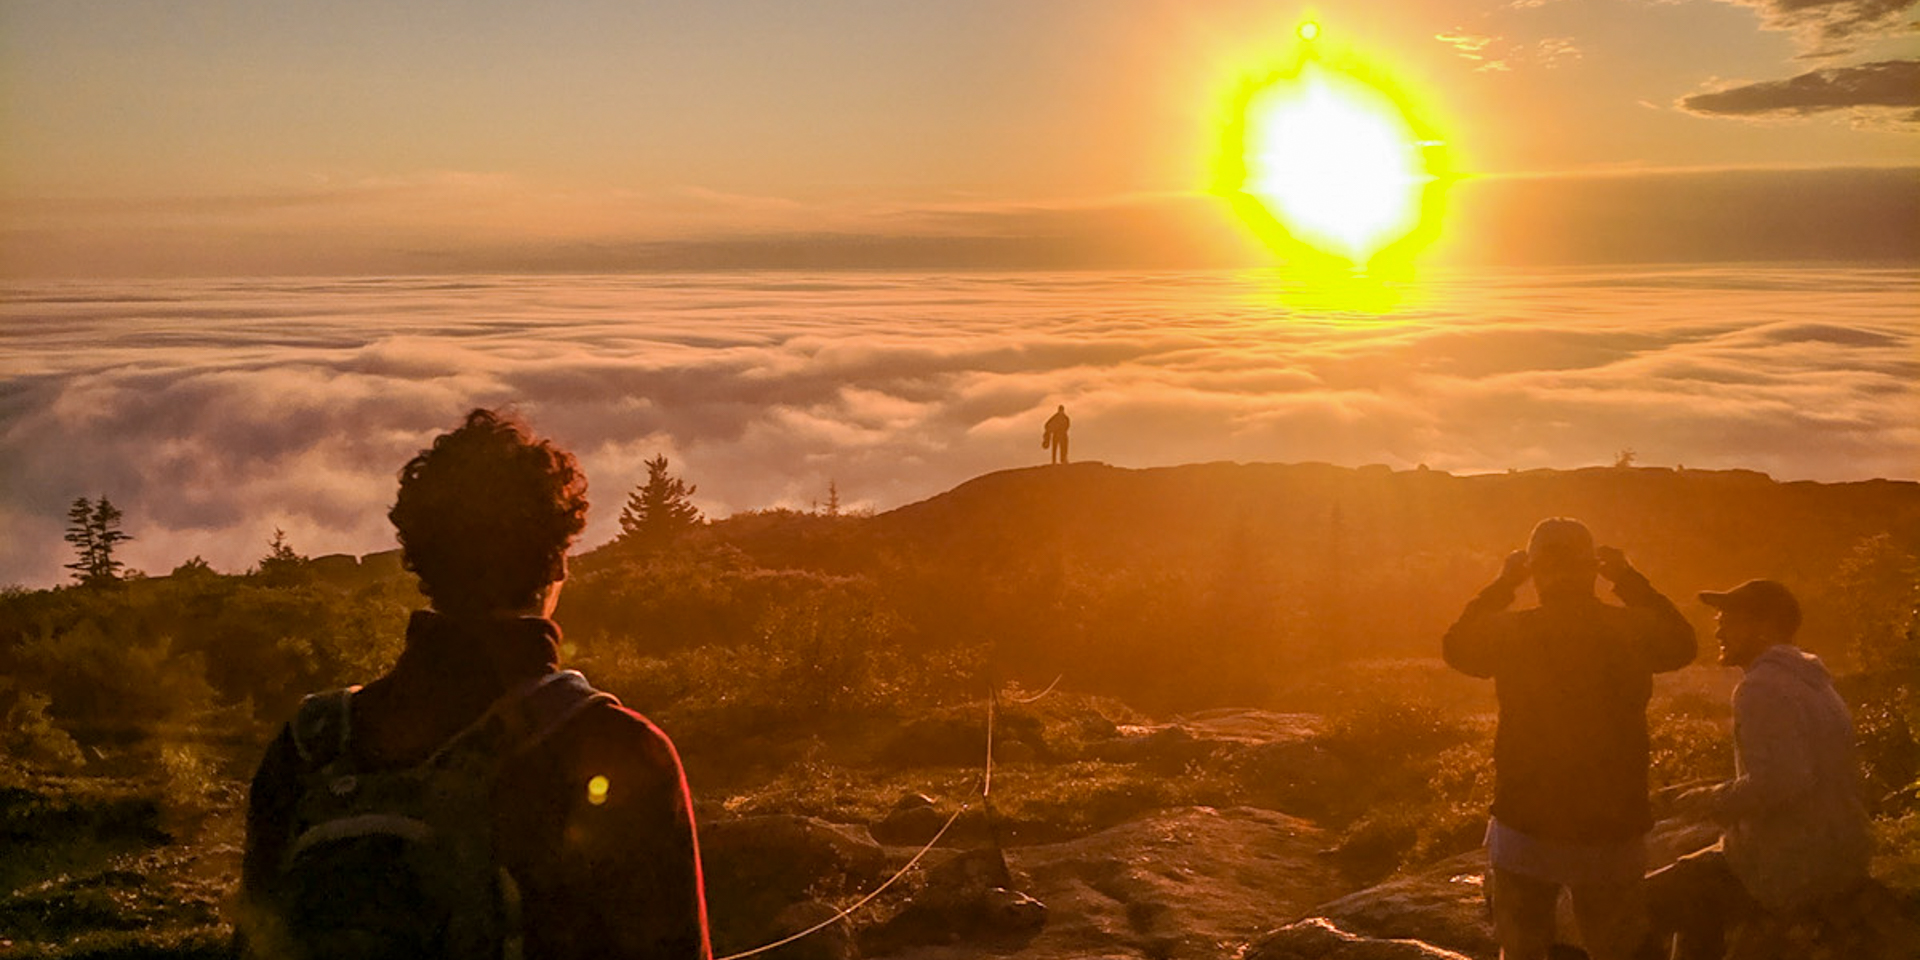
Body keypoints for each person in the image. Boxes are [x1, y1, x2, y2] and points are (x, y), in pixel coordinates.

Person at [236, 409, 711, 959]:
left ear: (419, 561)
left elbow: (256, 941)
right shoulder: (619, 751)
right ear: (558, 562)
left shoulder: (307, 750)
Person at [1442, 517, 1695, 960]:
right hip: (1612, 825)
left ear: (1535, 571)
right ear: (1591, 568)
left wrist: (1503, 585)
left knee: (1523, 948)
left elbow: (1458, 646)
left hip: (1526, 823)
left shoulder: (1514, 632)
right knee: (1619, 948)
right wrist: (1627, 578)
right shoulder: (1630, 629)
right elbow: (1684, 643)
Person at [1644, 579, 1871, 959]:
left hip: (1787, 863)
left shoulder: (1761, 687)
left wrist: (1707, 800)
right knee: (1695, 891)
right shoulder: (1815, 683)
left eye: (1730, 619)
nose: (1718, 628)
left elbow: (1782, 780)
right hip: (1842, 852)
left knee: (1636, 908)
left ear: (1764, 627)